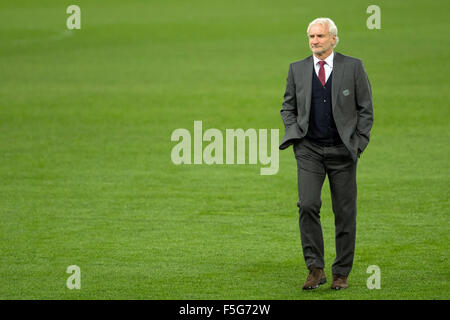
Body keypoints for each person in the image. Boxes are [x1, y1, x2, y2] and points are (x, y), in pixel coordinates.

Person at [279, 17, 374, 290]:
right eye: (311, 36)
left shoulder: (353, 67)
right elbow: (287, 107)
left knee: (345, 212)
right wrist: (294, 132)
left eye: (319, 36)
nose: (314, 41)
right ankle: (315, 268)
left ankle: (341, 273)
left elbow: (365, 109)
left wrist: (359, 143)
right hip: (308, 150)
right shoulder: (296, 69)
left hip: (343, 151)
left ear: (333, 39)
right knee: (307, 205)